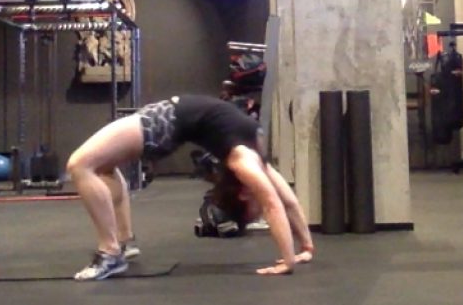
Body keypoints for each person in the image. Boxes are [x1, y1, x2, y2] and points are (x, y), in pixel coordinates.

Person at [66, 94, 315, 281]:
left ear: (241, 194)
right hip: (168, 122)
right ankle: (124, 242)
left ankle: (110, 253)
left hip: (162, 122)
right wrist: (305, 247)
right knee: (103, 166)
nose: (259, 206)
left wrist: (288, 262)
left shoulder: (244, 162)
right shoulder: (257, 160)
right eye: (255, 210)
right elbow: (288, 201)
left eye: (254, 210)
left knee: (80, 165)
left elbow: (273, 205)